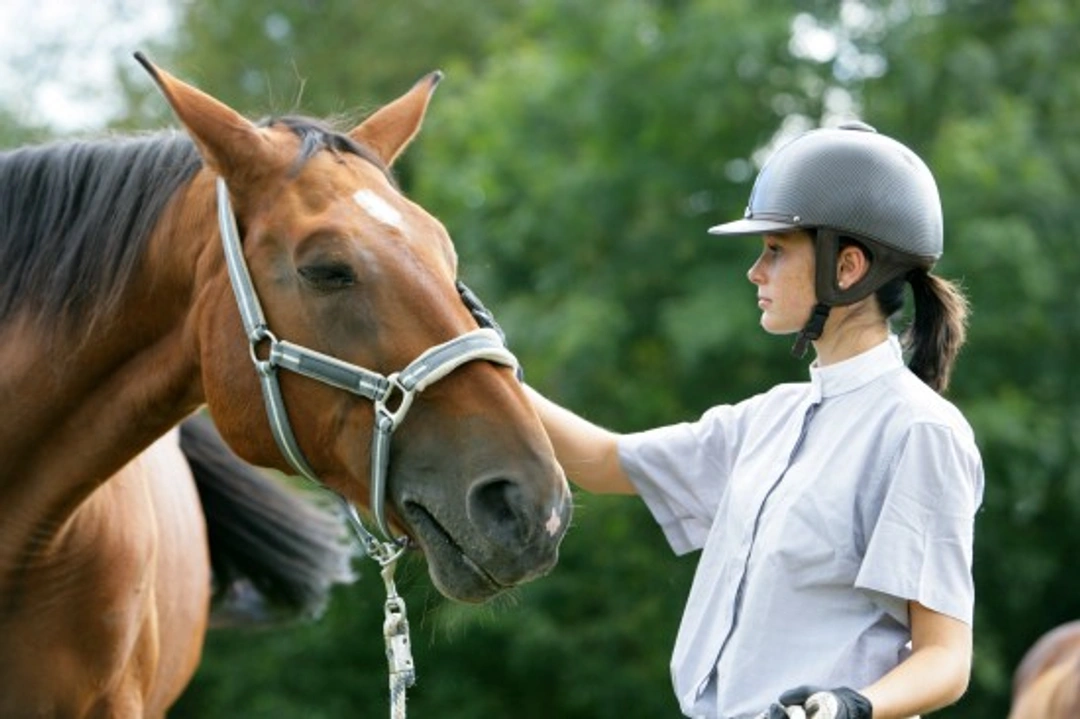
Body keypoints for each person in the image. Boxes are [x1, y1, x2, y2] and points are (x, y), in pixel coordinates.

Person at [526, 122, 984, 719]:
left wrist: (851, 707)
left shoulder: (921, 432)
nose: (754, 272)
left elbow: (946, 659)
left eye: (774, 250)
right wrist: (479, 361)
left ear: (846, 268)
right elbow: (606, 461)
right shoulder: (768, 418)